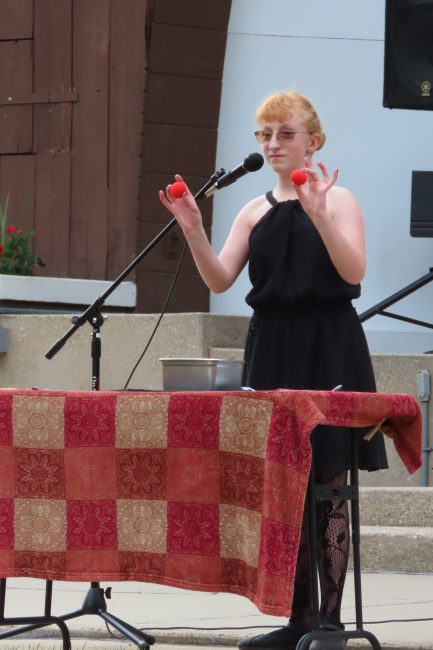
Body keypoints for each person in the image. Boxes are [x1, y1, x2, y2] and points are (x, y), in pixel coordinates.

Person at [159, 90, 388, 650]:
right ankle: (299, 621)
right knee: (283, 487)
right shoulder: (253, 209)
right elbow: (219, 280)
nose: (273, 144)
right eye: (264, 135)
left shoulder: (341, 200)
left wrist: (318, 215)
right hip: (273, 346)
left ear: (313, 141)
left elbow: (353, 271)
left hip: (329, 344)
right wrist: (192, 226)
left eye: (285, 134)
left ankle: (330, 624)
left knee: (329, 486)